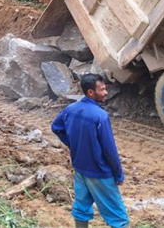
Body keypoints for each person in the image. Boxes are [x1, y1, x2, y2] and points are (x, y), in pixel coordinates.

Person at [51, 74, 129, 228]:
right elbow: (109, 150)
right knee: (119, 218)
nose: (106, 92)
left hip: (80, 169)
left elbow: (56, 127)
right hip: (100, 172)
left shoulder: (70, 109)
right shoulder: (100, 116)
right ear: (91, 92)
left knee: (81, 208)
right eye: (102, 89)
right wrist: (118, 174)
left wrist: (73, 144)